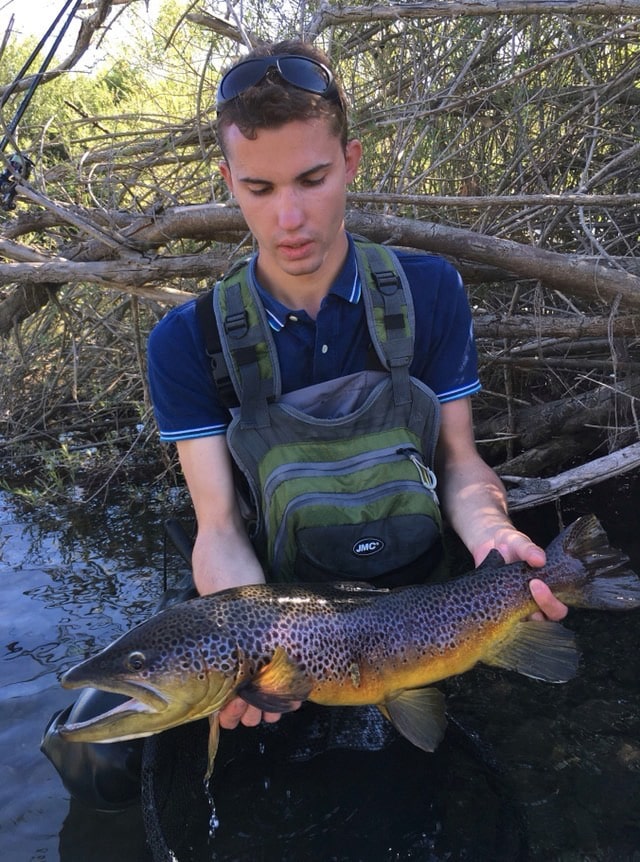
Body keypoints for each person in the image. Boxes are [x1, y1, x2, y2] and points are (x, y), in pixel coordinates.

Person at [147, 39, 567, 733]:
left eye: (311, 180)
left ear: (350, 162)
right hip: (290, 631)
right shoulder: (185, 341)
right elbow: (218, 527)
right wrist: (249, 654)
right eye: (260, 188)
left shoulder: (429, 290)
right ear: (228, 181)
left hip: (431, 609)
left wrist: (497, 536)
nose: (289, 218)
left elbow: (460, 463)